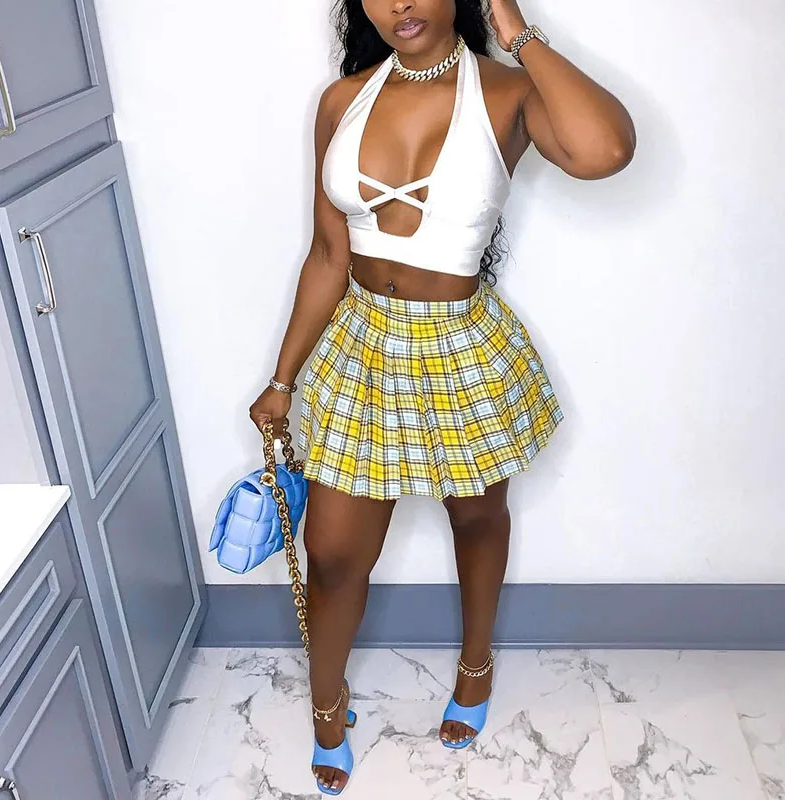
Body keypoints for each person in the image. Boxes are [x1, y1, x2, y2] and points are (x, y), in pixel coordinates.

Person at [249, 0, 635, 794]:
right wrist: (282, 379)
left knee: (477, 517)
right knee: (332, 554)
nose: (400, 4)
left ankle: (476, 664)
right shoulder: (341, 100)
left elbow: (605, 150)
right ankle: (327, 707)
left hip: (460, 346)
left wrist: (515, 29)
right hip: (362, 344)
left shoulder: (509, 91)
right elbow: (327, 253)